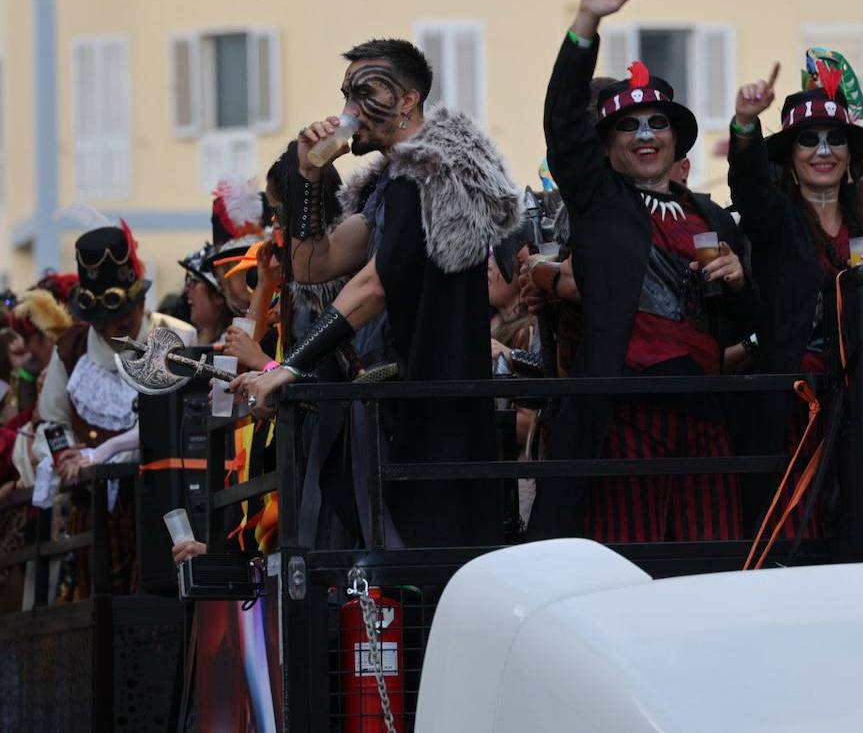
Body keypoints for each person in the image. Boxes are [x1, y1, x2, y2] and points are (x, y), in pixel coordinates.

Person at [231, 38, 521, 548]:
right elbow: (312, 264)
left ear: (408, 100)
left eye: (365, 93)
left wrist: (285, 368)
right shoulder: (393, 183)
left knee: (421, 576)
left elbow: (373, 288)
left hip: (436, 414)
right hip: (396, 413)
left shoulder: (432, 172)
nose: (347, 111)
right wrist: (308, 174)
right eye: (345, 94)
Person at [527, 0, 755, 543]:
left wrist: (739, 281)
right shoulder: (602, 203)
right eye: (630, 126)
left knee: (714, 566)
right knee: (632, 567)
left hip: (706, 415)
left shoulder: (712, 216)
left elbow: (746, 325)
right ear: (606, 147)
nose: (647, 135)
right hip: (625, 415)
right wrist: (585, 24)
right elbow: (561, 125)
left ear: (678, 137)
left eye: (658, 123)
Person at [727, 57, 863, 535]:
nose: (823, 150)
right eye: (809, 139)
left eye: (835, 139)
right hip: (792, 402)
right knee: (793, 528)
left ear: (849, 154)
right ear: (790, 155)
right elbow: (747, 186)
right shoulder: (775, 221)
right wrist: (745, 124)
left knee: (862, 522)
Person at [35, 225, 193, 597]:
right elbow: (50, 422)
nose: (112, 335)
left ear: (140, 304)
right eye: (102, 327)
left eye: (121, 324)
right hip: (95, 514)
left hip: (163, 499)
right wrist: (63, 457)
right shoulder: (70, 350)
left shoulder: (175, 337)